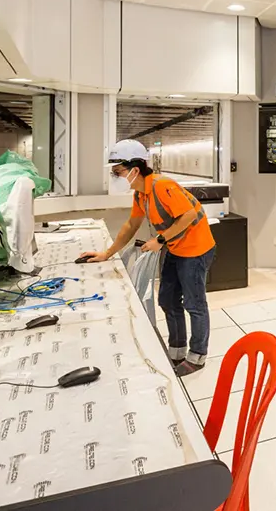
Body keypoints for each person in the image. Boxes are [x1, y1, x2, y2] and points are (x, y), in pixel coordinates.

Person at [79, 139, 216, 377]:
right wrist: (107, 253)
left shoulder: (162, 186)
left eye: (118, 172)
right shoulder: (141, 195)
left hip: (195, 249)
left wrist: (159, 241)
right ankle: (177, 351)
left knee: (194, 304)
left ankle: (197, 357)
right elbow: (131, 225)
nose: (115, 176)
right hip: (175, 248)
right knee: (167, 300)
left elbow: (188, 215)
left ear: (134, 169)